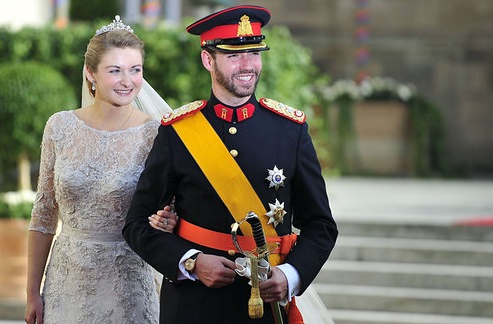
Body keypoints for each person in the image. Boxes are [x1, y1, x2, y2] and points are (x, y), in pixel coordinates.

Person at [123, 5, 338, 324]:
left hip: (266, 308)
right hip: (193, 306)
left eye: (254, 53)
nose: (248, 65)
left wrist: (291, 275)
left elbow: (321, 225)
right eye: (234, 55)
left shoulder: (290, 130)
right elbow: (136, 223)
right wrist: (192, 261)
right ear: (208, 60)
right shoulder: (178, 133)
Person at [25, 16, 177, 324]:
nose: (127, 80)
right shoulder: (59, 126)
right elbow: (43, 215)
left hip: (128, 284)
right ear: (90, 73)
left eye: (135, 70)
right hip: (65, 284)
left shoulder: (158, 133)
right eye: (115, 70)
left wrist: (167, 219)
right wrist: (32, 293)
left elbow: (171, 208)